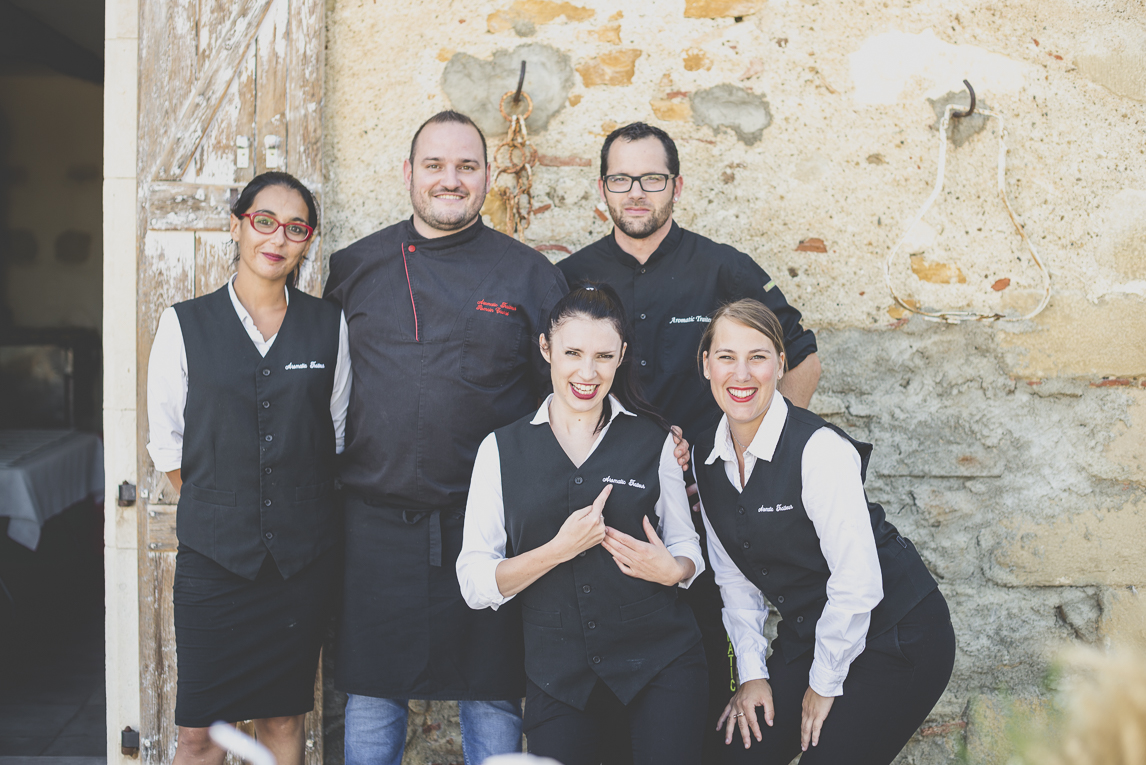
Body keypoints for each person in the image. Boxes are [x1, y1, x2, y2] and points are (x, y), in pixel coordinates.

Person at [557, 122, 822, 762]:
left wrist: (742, 457)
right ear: (603, 190)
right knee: (597, 668)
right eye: (622, 179)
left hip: (705, 506)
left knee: (699, 657)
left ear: (676, 185)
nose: (637, 193)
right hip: (602, 510)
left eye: (652, 178)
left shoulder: (723, 267)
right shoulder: (571, 277)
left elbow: (802, 361)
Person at [322, 111, 569, 765]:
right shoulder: (354, 267)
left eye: (466, 166)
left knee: (491, 695)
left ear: (487, 176)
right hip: (373, 524)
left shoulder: (529, 274)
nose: (450, 180)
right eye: (434, 165)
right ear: (409, 174)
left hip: (487, 524)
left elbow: (572, 391)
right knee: (372, 698)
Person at [692, 299, 955, 765]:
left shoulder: (819, 451)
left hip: (897, 634)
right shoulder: (705, 458)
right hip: (812, 632)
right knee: (733, 756)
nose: (742, 374)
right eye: (727, 357)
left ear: (780, 364)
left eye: (758, 357)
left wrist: (822, 685)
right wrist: (753, 675)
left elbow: (857, 583)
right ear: (706, 364)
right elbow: (734, 579)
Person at [146, 171, 351, 765]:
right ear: (237, 226)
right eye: (264, 221)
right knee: (200, 734)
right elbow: (169, 451)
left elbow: (333, 436)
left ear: (307, 242)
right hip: (214, 566)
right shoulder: (183, 325)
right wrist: (227, 505)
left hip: (298, 567)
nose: (277, 238)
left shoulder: (327, 325)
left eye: (295, 228)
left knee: (282, 718)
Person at [457, 284, 707, 765]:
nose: (587, 373)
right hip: (560, 680)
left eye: (603, 356)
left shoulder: (653, 440)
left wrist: (674, 570)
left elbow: (687, 544)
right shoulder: (500, 450)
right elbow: (474, 582)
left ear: (622, 357)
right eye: (572, 352)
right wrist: (557, 549)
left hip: (661, 665)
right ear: (546, 349)